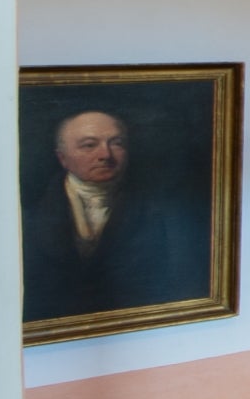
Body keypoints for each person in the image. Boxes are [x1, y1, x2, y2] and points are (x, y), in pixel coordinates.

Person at [23, 108, 207, 322]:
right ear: (62, 158)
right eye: (89, 145)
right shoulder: (30, 214)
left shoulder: (162, 212)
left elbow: (181, 288)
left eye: (117, 143)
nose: (105, 155)